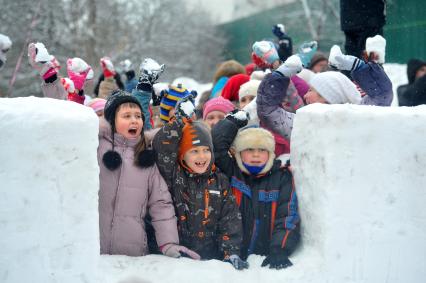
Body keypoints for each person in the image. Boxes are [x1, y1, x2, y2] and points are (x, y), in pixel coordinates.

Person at [99, 90, 199, 258]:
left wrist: (169, 244)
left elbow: (161, 204)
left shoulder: (146, 160)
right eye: (127, 116)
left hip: (132, 254)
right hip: (93, 249)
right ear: (111, 121)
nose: (134, 120)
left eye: (138, 116)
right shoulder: (96, 148)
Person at [153, 96, 248, 270]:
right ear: (182, 155)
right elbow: (162, 145)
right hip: (176, 260)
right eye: (194, 151)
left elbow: (230, 219)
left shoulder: (219, 180)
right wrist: (179, 120)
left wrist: (230, 252)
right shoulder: (173, 175)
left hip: (211, 262)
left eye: (206, 151)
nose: (202, 156)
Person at [211, 109, 300, 269]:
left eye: (262, 150)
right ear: (238, 152)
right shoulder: (231, 171)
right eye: (249, 150)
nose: (256, 155)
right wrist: (230, 124)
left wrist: (279, 248)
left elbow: (288, 216)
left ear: (271, 153)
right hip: (231, 257)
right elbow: (216, 148)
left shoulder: (281, 177)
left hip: (265, 258)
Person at [257, 49, 393, 141]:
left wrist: (359, 67)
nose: (305, 96)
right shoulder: (304, 124)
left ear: (328, 96)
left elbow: (382, 94)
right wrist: (278, 76)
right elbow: (268, 112)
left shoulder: (357, 119)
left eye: (311, 91)